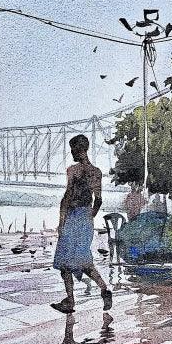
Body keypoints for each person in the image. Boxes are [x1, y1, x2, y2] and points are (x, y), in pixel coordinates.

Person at [51, 134, 112, 313]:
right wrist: (89, 217)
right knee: (84, 261)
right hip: (86, 218)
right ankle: (104, 289)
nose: (71, 153)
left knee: (65, 263)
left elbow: (67, 197)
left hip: (72, 217)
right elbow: (98, 200)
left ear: (79, 150)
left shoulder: (73, 170)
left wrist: (61, 222)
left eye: (72, 150)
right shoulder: (96, 172)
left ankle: (70, 301)